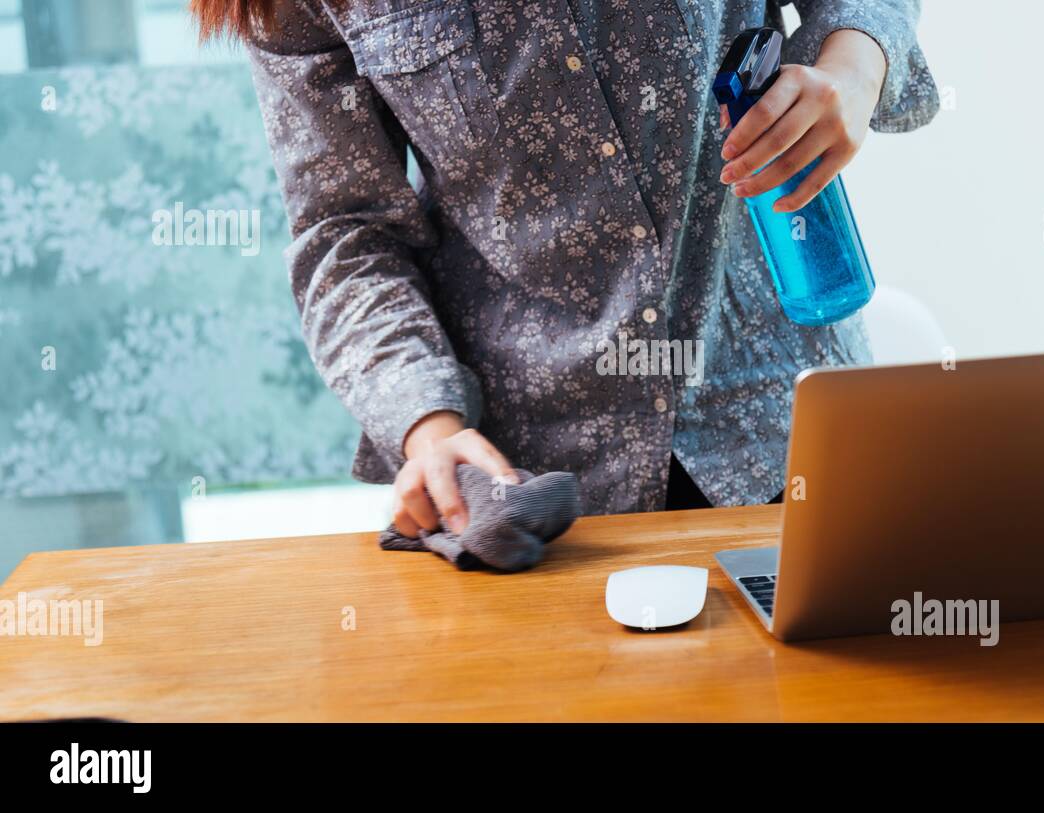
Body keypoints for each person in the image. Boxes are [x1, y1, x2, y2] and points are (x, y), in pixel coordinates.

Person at [195, 0, 938, 536]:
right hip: (535, 494)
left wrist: (853, 65)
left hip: (779, 431)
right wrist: (428, 424)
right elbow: (345, 229)